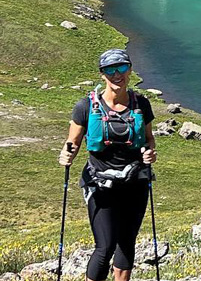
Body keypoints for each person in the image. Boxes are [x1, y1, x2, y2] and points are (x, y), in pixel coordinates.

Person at [58, 49, 156, 281]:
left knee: (127, 241)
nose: (116, 74)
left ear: (130, 70)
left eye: (121, 68)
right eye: (110, 70)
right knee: (105, 245)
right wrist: (66, 155)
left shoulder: (141, 104)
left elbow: (149, 138)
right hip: (100, 183)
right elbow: (72, 142)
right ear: (102, 74)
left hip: (135, 182)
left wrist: (151, 152)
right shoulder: (85, 107)